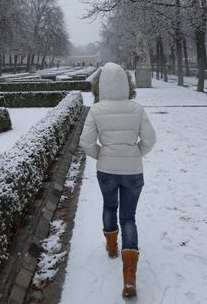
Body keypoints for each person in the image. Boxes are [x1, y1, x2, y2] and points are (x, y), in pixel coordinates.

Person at [79, 62, 156, 298]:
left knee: (110, 206)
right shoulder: (137, 108)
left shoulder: (96, 110)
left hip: (107, 170)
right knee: (129, 217)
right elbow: (150, 139)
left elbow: (86, 142)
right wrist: (136, 154)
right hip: (133, 171)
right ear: (126, 83)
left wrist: (101, 155)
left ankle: (112, 247)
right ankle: (130, 278)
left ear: (101, 85)